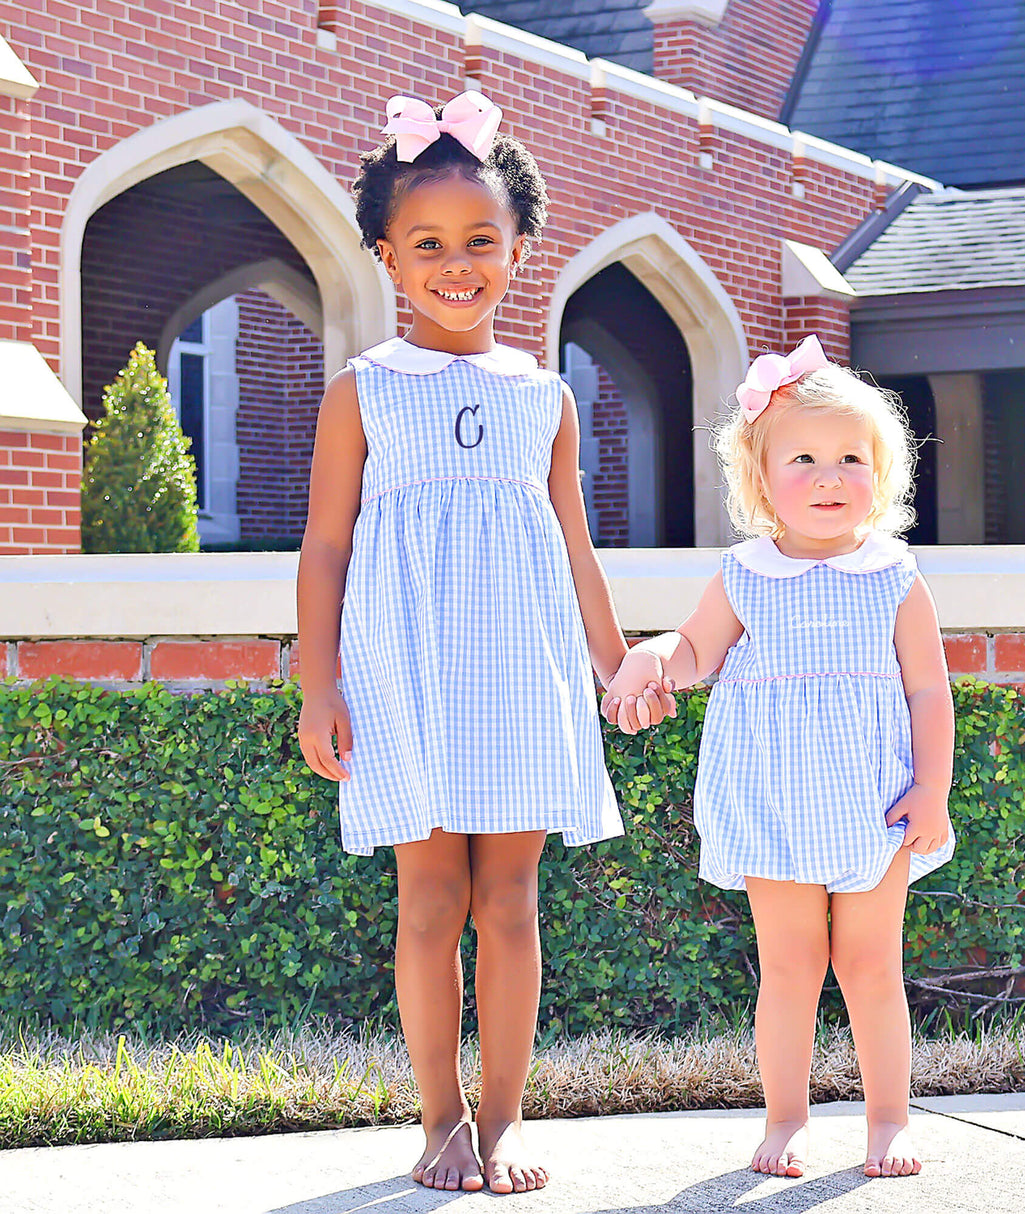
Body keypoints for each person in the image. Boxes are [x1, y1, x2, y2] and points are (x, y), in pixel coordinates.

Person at [295, 90, 673, 1195]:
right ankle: (437, 1122)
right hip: (403, 670)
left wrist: (614, 663)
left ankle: (502, 1121)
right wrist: (317, 686)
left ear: (517, 248)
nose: (455, 265)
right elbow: (324, 547)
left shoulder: (545, 397)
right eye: (427, 245)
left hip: (520, 672)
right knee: (429, 897)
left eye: (479, 242)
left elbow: (573, 545)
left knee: (509, 899)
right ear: (385, 255)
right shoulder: (361, 392)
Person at [602, 336, 955, 1179]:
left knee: (870, 965)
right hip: (772, 799)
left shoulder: (892, 575)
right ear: (761, 480)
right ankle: (786, 1117)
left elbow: (929, 693)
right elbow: (693, 651)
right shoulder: (745, 573)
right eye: (804, 458)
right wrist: (652, 658)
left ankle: (889, 1120)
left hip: (875, 800)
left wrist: (932, 792)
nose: (830, 476)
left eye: (850, 458)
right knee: (789, 967)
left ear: (882, 475)